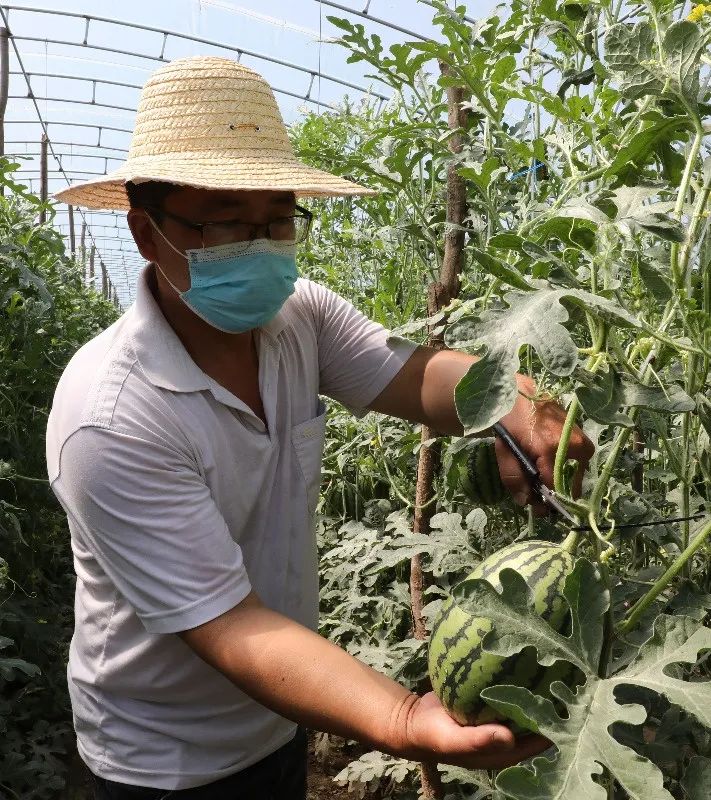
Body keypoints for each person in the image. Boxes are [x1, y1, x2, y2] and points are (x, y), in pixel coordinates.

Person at [47, 56, 593, 799]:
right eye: (228, 223)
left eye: (277, 220)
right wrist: (402, 716)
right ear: (148, 233)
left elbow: (418, 378)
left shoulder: (299, 315)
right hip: (162, 759)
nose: (262, 244)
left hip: (284, 714)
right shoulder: (108, 418)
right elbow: (227, 626)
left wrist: (523, 404)